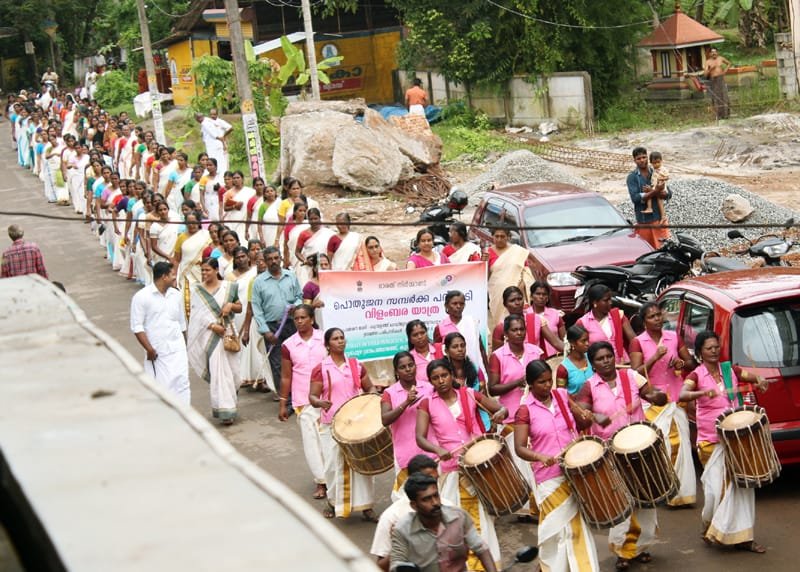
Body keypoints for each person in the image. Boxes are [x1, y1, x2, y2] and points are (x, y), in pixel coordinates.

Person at [576, 341, 667, 570]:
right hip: (611, 453)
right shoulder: (589, 386)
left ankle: (640, 547)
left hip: (639, 448)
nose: (606, 361)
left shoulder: (631, 376)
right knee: (622, 501)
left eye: (608, 356)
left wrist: (658, 396)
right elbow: (581, 414)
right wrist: (592, 416)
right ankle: (622, 550)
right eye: (600, 358)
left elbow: (650, 393)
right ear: (593, 364)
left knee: (645, 498)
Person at [680, 331, 768, 553]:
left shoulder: (729, 370)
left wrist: (759, 380)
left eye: (716, 347)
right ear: (700, 352)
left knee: (741, 488)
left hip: (735, 438)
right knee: (715, 491)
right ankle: (711, 525)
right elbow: (683, 394)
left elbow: (750, 377)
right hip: (710, 441)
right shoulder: (696, 375)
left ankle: (744, 537)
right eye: (709, 348)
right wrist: (702, 392)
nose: (714, 351)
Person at [415, 359, 506, 571]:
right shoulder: (427, 403)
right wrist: (437, 450)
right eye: (435, 378)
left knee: (483, 518)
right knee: (453, 522)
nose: (441, 381)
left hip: (478, 466)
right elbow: (420, 437)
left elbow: (501, 409)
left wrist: (500, 413)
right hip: (452, 471)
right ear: (430, 381)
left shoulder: (469, 394)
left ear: (452, 376)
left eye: (444, 376)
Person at [513, 360, 599, 572]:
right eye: (541, 382)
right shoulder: (524, 410)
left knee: (575, 526)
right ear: (530, 384)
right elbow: (519, 448)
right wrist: (540, 457)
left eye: (548, 380)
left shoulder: (561, 396)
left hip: (573, 469)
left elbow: (581, 423)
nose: (547, 385)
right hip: (548, 477)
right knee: (556, 530)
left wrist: (587, 418)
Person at [629, 302, 697, 507]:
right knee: (663, 447)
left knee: (682, 445)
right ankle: (666, 490)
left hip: (675, 398)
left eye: (659, 315)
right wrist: (655, 357)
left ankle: (683, 494)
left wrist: (680, 363)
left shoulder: (673, 337)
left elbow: (691, 363)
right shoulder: (638, 342)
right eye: (652, 317)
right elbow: (635, 373)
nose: (657, 319)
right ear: (644, 321)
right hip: (653, 402)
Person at [309, 328, 378, 521]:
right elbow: (312, 396)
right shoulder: (321, 368)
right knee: (332, 466)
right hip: (331, 424)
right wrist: (320, 402)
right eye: (335, 339)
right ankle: (333, 502)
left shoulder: (356, 365)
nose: (340, 341)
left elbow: (369, 387)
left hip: (356, 424)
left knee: (362, 464)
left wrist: (372, 398)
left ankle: (366, 506)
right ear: (327, 344)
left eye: (342, 338)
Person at [389, 474, 498, 572]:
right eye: (426, 499)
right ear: (414, 505)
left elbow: (481, 549)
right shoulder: (402, 530)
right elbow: (396, 564)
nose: (435, 502)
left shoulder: (459, 517)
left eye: (436, 495)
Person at [280, 304, 328, 499]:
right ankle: (321, 481)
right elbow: (286, 376)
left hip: (327, 397)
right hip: (303, 400)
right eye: (296, 319)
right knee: (311, 442)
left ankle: (334, 478)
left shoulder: (325, 338)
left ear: (312, 319)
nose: (299, 321)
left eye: (303, 318)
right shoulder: (288, 345)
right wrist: (283, 403)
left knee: (328, 440)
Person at [187, 257, 242, 424]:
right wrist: (212, 326)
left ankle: (231, 400)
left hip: (228, 334)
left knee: (234, 373)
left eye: (207, 270)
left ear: (216, 270)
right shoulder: (197, 290)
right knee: (219, 372)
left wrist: (230, 306)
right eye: (202, 270)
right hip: (210, 336)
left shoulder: (229, 287)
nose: (204, 273)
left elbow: (239, 307)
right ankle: (225, 411)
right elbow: (195, 316)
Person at [371, 454, 446, 572]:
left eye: (435, 480)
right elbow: (381, 566)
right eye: (425, 481)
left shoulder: (449, 507)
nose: (432, 485)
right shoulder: (392, 516)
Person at [129, 261, 190, 404]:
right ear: (164, 277)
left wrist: (185, 346)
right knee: (162, 388)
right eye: (172, 275)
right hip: (158, 352)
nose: (175, 278)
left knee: (182, 384)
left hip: (178, 349)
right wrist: (149, 349)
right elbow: (137, 327)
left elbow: (181, 324)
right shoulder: (142, 297)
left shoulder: (176, 295)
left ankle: (185, 413)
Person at [381, 352, 434, 501]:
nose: (408, 369)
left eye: (411, 365)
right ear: (396, 371)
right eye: (403, 367)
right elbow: (385, 419)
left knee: (431, 494)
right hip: (405, 452)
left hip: (429, 449)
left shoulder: (429, 387)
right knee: (405, 498)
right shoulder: (389, 393)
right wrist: (406, 403)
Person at [251, 246, 303, 397]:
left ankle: (298, 396)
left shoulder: (291, 276)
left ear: (280, 258)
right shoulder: (259, 282)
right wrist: (265, 331)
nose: (273, 261)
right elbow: (256, 308)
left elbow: (299, 296)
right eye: (269, 259)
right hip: (272, 328)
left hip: (292, 324)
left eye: (276, 258)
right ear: (265, 261)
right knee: (277, 364)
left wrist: (296, 306)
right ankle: (284, 399)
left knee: (296, 360)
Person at [486, 225, 533, 331]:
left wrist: (521, 286)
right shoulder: (487, 253)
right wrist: (485, 262)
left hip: (517, 292)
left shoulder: (518, 251)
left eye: (502, 236)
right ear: (492, 237)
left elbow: (526, 272)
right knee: (500, 322)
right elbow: (485, 277)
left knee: (518, 320)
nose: (499, 239)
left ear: (508, 237)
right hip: (497, 293)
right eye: (496, 236)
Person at [433, 290, 489, 379]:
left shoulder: (472, 322)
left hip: (476, 371)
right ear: (446, 305)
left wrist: (488, 372)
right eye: (454, 303)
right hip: (453, 375)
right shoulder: (440, 328)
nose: (458, 306)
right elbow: (438, 353)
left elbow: (481, 349)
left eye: (461, 303)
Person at [577, 284, 635, 364]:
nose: (610, 302)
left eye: (610, 299)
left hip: (623, 363)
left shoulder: (618, 315)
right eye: (606, 300)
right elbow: (579, 348)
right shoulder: (583, 323)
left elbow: (634, 340)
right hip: (599, 366)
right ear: (595, 302)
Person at [627, 146, 671, 248]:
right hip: (644, 222)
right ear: (634, 161)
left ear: (648, 158)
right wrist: (655, 191)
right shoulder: (632, 177)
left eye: (644, 157)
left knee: (663, 250)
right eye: (638, 158)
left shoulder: (656, 171)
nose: (642, 160)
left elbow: (668, 194)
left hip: (659, 220)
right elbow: (635, 198)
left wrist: (656, 191)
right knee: (647, 250)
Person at [173, 210, 211, 317]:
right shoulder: (181, 238)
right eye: (189, 223)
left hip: (204, 273)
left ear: (199, 222)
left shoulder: (207, 235)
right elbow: (176, 259)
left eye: (194, 222)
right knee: (187, 301)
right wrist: (174, 277)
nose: (191, 225)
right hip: (186, 274)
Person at [295, 207, 334, 286]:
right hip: (310, 268)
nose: (313, 221)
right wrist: (305, 261)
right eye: (311, 219)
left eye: (315, 218)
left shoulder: (328, 233)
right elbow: (297, 252)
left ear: (320, 218)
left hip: (325, 266)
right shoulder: (303, 234)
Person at [555, 325, 593, 395]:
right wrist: (574, 403)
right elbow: (561, 394)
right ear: (572, 343)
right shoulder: (563, 369)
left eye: (587, 340)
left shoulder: (591, 357)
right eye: (583, 341)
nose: (587, 343)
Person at [196, 110, 232, 175]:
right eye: (211, 114)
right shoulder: (209, 121)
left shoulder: (205, 123)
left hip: (214, 146)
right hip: (217, 145)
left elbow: (213, 133)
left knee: (217, 162)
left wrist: (221, 138)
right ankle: (223, 175)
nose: (212, 116)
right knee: (221, 162)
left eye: (214, 114)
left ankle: (221, 175)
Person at [704, 48, 732, 120]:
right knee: (716, 97)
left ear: (717, 53)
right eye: (712, 52)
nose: (714, 53)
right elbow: (705, 74)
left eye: (715, 52)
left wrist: (725, 70)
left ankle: (726, 115)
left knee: (724, 95)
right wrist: (710, 69)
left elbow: (729, 63)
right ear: (710, 54)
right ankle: (718, 115)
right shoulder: (708, 62)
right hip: (713, 80)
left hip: (721, 79)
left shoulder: (720, 58)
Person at [641, 151, 669, 216]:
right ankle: (649, 207)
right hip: (654, 186)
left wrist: (661, 179)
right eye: (654, 163)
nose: (656, 164)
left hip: (661, 187)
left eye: (658, 162)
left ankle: (662, 215)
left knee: (659, 200)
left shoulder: (663, 169)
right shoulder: (653, 169)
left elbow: (667, 177)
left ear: (661, 161)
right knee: (648, 193)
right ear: (651, 163)